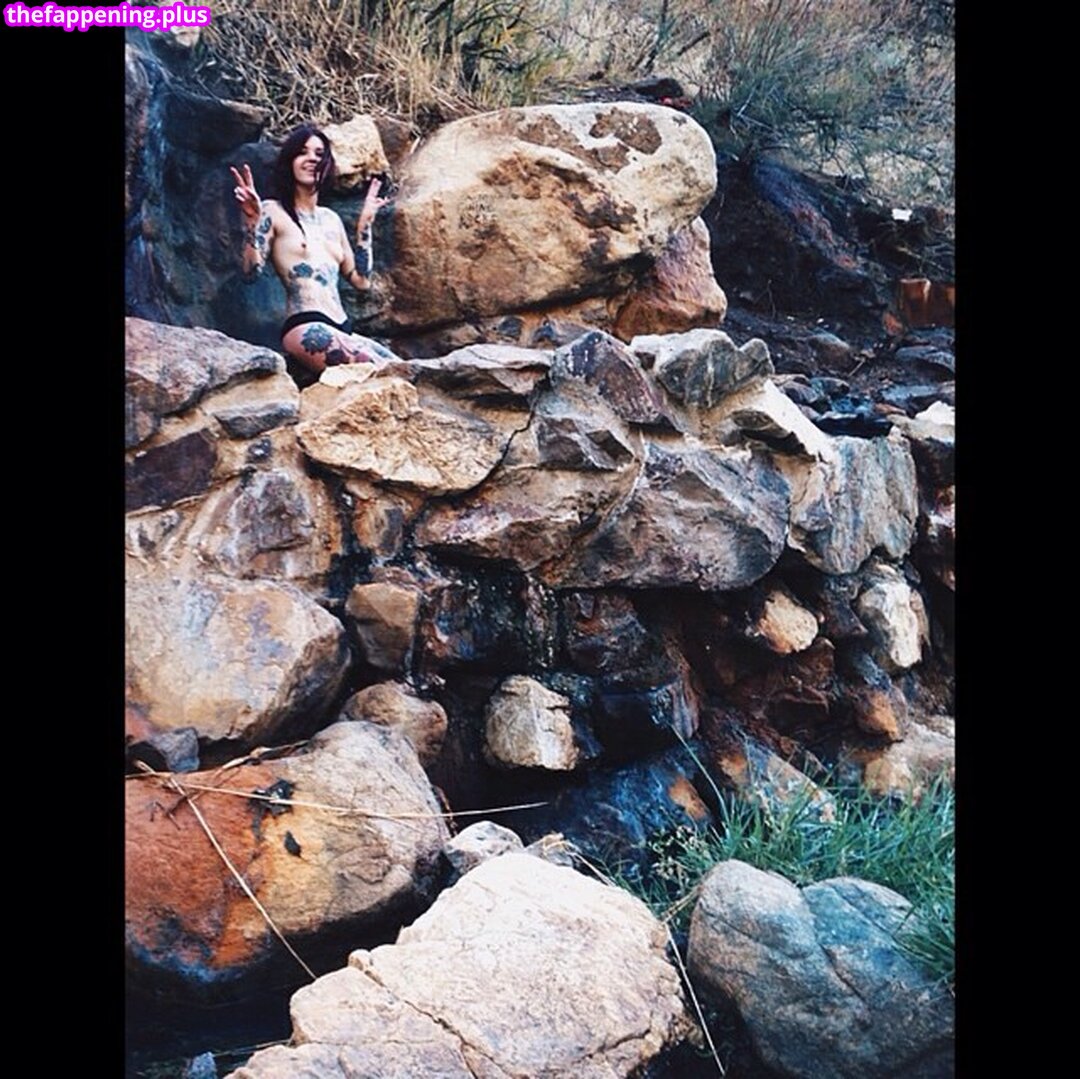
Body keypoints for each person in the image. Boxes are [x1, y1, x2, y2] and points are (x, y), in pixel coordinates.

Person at [230, 123, 399, 377]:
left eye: (319, 154)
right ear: (290, 162)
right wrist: (252, 223)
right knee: (382, 374)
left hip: (343, 328)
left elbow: (362, 281)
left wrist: (365, 225)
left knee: (405, 370)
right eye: (302, 152)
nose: (311, 159)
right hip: (306, 326)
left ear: (328, 165)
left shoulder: (332, 219)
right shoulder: (272, 211)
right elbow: (249, 273)